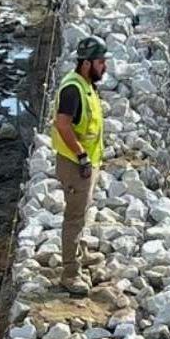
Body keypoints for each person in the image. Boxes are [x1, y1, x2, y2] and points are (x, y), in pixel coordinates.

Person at [51, 35, 108, 296]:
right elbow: (62, 124)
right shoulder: (73, 89)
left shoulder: (86, 84)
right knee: (73, 218)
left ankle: (77, 254)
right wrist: (82, 155)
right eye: (100, 61)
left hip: (84, 162)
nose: (104, 66)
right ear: (86, 64)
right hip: (76, 164)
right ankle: (70, 273)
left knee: (80, 213)